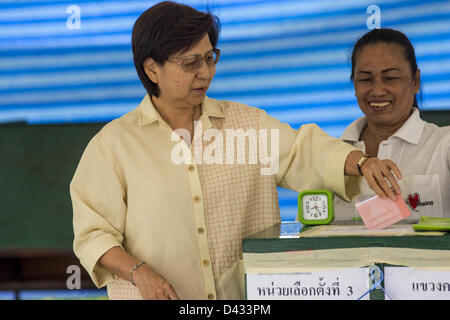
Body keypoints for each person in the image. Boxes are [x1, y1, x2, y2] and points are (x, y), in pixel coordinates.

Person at [70, 2, 402, 300]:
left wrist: (361, 162)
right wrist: (139, 272)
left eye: (210, 57)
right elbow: (93, 234)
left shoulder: (248, 125)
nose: (205, 72)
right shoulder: (114, 144)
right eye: (190, 63)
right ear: (152, 69)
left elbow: (304, 150)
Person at [335, 28, 450, 220]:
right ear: (354, 84)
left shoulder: (443, 145)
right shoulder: (334, 153)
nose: (377, 90)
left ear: (415, 81)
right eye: (365, 79)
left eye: (390, 78)